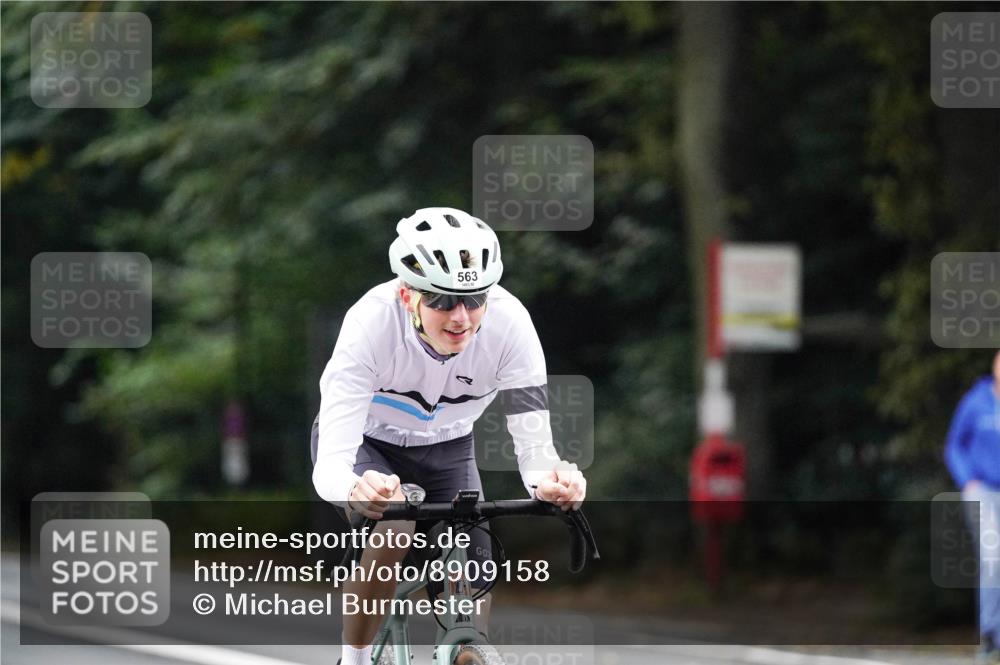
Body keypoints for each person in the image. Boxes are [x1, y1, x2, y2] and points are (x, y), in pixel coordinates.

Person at [311, 207, 587, 665]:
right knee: (394, 527)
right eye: (441, 300)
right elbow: (330, 467)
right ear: (407, 296)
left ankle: (465, 648)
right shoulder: (369, 325)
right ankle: (354, 660)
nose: (460, 316)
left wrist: (551, 482)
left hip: (449, 448)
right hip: (367, 444)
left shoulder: (511, 325)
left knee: (471, 592)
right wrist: (353, 488)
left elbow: (536, 449)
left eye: (475, 298)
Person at [945, 350, 1000, 665]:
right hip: (983, 490)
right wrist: (968, 480)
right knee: (993, 558)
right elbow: (954, 444)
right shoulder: (976, 401)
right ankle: (991, 635)